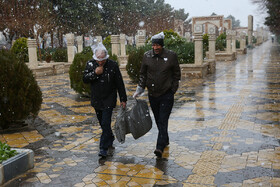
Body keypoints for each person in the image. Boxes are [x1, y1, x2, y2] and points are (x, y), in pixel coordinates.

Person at [133, 32, 181, 158]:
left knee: (163, 119)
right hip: (153, 94)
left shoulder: (171, 56)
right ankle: (165, 139)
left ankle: (159, 147)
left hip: (166, 94)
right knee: (159, 119)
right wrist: (140, 89)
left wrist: (172, 90)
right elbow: (143, 74)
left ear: (162, 45)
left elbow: (177, 74)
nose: (155, 48)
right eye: (154, 45)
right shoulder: (147, 56)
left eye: (158, 45)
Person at [83, 43, 127, 157]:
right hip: (97, 99)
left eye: (103, 59)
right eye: (98, 60)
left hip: (109, 98)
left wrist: (123, 98)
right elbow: (85, 79)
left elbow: (119, 83)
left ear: (106, 57)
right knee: (103, 124)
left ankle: (103, 148)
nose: (101, 62)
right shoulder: (90, 64)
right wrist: (95, 73)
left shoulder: (113, 65)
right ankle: (110, 137)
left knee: (105, 122)